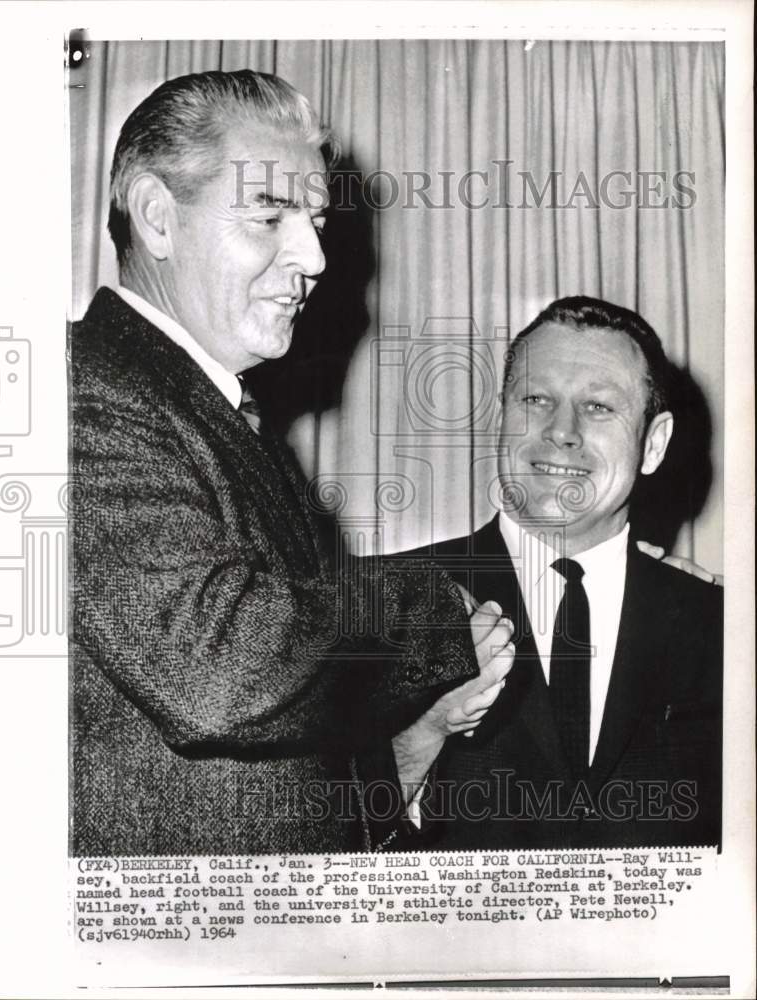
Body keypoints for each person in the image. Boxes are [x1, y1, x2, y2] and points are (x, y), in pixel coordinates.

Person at [69, 69, 513, 857]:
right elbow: (218, 673)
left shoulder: (222, 415)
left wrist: (414, 739)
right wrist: (439, 614)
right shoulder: (85, 389)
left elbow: (285, 741)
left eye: (312, 220)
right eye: (269, 215)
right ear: (157, 217)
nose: (313, 257)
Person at [391, 296, 723, 849]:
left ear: (654, 443)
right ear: (501, 420)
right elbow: (309, 840)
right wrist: (423, 733)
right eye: (536, 399)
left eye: (598, 407)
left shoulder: (723, 628)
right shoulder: (380, 599)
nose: (561, 431)